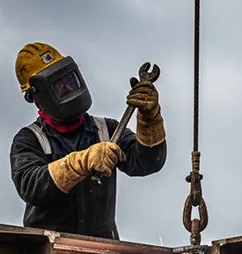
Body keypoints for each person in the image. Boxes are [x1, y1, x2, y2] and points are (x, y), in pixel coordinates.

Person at [10, 42, 167, 239]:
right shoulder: (29, 139)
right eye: (59, 86)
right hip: (47, 248)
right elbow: (32, 187)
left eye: (69, 81)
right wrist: (81, 162)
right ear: (35, 95)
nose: (67, 88)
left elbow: (148, 162)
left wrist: (150, 119)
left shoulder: (107, 130)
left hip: (100, 248)